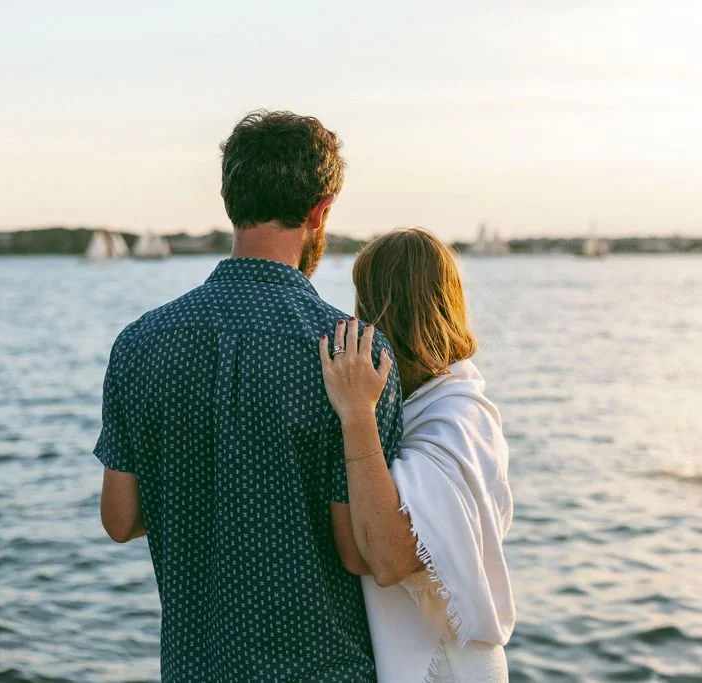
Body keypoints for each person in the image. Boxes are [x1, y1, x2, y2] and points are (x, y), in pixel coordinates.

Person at [92, 110, 410, 681]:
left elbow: (120, 519)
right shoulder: (355, 356)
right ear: (321, 212)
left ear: (230, 201)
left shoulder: (140, 343)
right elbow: (357, 552)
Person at [319, 228, 516, 682]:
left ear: (388, 310)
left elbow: (389, 559)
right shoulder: (424, 402)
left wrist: (356, 414)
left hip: (448, 667)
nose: (355, 317)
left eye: (363, 302)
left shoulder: (458, 417)